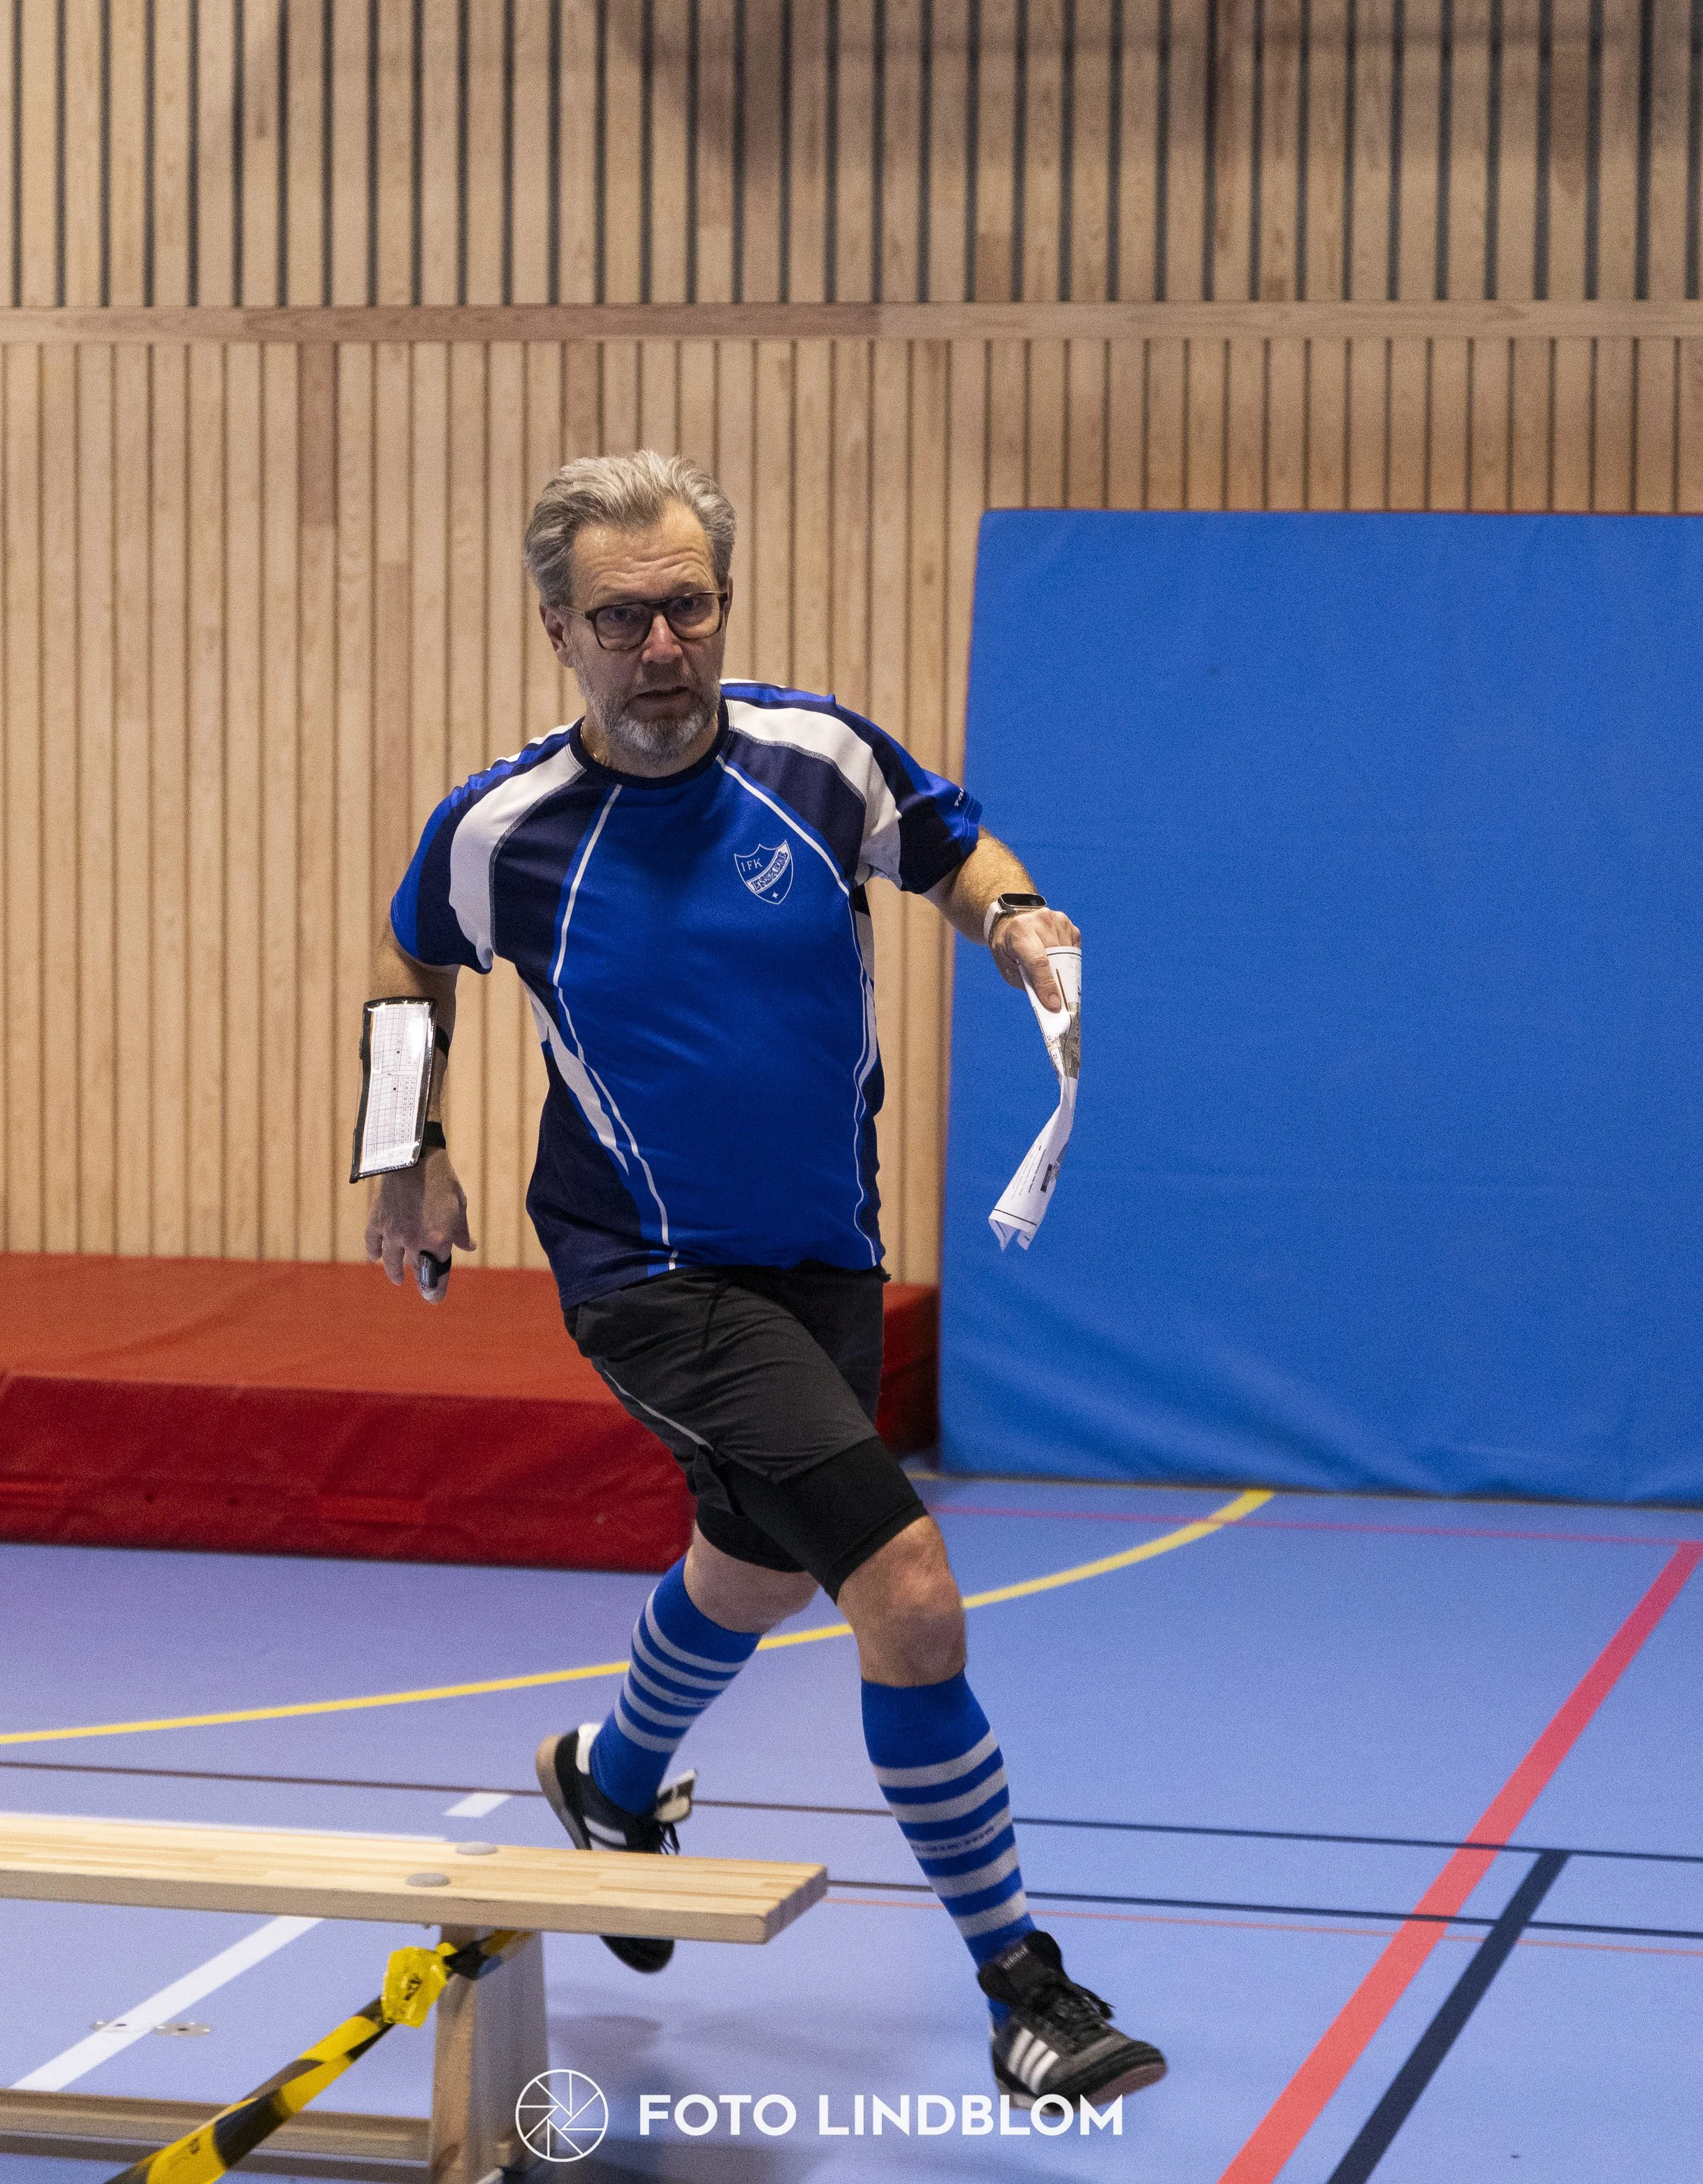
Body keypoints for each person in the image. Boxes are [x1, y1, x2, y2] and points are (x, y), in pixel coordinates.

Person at [362, 450, 1166, 2111]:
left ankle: (610, 1769)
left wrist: (1017, 921)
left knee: (751, 1557)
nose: (659, 644)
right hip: (647, 1268)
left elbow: (950, 843)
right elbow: (410, 958)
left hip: (824, 1245)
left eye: (686, 606)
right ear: (556, 629)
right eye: (619, 617)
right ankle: (1022, 1982)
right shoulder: (505, 827)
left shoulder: (816, 756)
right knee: (908, 1589)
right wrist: (403, 1152)